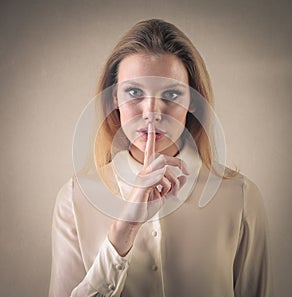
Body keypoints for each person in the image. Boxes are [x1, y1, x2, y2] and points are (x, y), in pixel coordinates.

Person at [49, 19, 272, 297]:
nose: (152, 111)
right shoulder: (75, 198)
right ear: (114, 97)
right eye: (134, 92)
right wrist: (125, 229)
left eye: (171, 94)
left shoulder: (241, 197)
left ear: (193, 101)